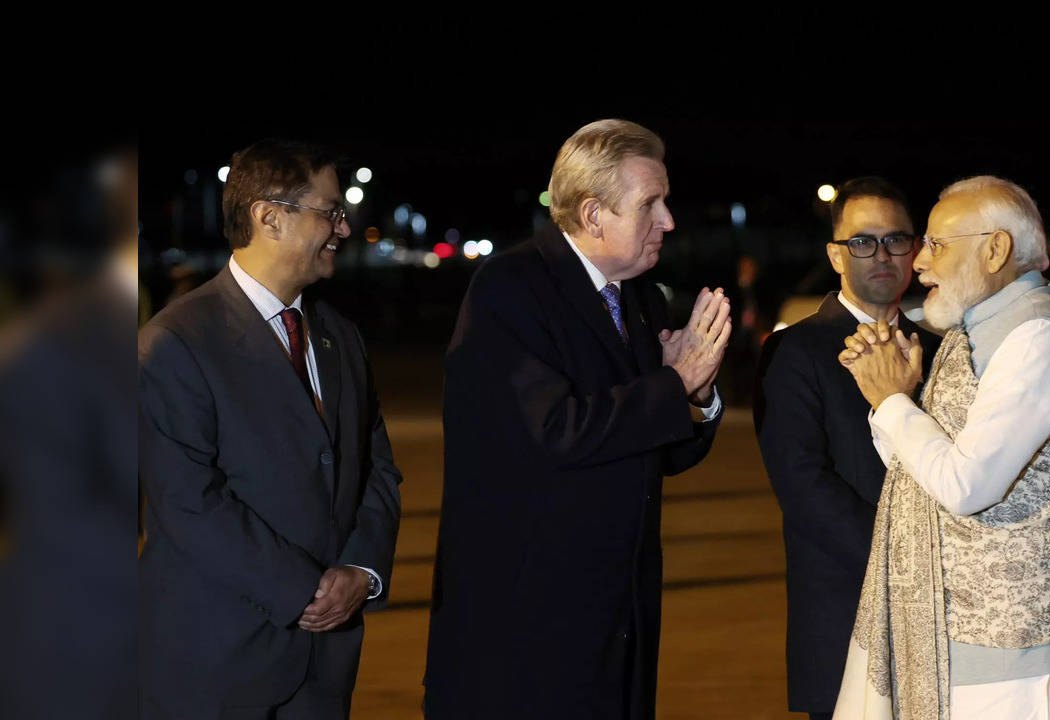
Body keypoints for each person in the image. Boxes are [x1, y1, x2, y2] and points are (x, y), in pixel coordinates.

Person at [423, 119, 730, 720]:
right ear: (593, 216)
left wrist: (697, 395)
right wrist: (671, 386)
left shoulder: (639, 295)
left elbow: (658, 453)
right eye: (651, 204)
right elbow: (550, 433)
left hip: (619, 622)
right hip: (525, 636)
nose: (667, 220)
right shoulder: (510, 289)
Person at [832, 176, 1050, 719]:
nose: (919, 261)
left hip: (1030, 651)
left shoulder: (1039, 339)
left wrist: (893, 403)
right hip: (972, 643)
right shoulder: (971, 332)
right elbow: (922, 473)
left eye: (938, 244)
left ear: (996, 249)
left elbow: (966, 485)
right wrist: (892, 400)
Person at [138, 140, 403, 719]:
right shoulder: (176, 341)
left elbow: (377, 466)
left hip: (323, 669)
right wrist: (304, 591)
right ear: (268, 216)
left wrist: (363, 570)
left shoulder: (341, 336)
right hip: (216, 665)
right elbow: (186, 500)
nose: (344, 226)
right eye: (330, 211)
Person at [753, 177, 940, 720]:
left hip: (941, 616)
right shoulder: (797, 350)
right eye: (863, 242)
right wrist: (904, 562)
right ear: (836, 256)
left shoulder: (942, 349)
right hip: (846, 610)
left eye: (896, 240)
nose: (881, 255)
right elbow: (802, 484)